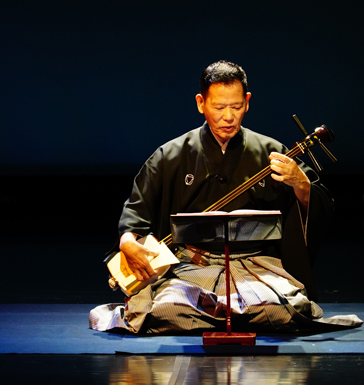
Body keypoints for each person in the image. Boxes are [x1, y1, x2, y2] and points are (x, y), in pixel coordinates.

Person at [89, 60, 362, 333]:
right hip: (192, 266)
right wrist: (127, 242)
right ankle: (226, 313)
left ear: (247, 102)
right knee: (168, 308)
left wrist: (301, 184)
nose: (228, 117)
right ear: (201, 103)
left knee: (279, 308)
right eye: (219, 107)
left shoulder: (271, 150)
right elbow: (136, 211)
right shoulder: (169, 155)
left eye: (236, 106)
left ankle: (220, 313)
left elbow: (319, 205)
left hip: (255, 265)